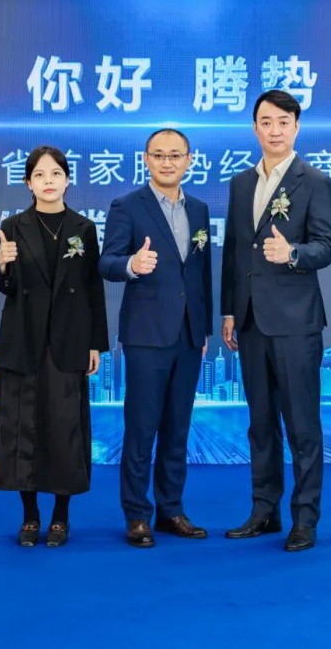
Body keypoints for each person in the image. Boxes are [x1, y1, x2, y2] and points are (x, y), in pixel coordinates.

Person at [220, 90, 331, 552]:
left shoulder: (315, 181)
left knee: (302, 425)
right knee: (261, 423)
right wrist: (230, 310)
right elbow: (233, 251)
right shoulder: (240, 183)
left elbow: (325, 247)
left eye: (283, 122)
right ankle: (263, 511)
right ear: (255, 128)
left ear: (296, 127)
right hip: (250, 322)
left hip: (295, 323)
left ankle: (305, 519)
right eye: (266, 122)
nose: (274, 130)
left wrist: (292, 254)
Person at [99, 129, 213, 548]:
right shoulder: (127, 206)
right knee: (142, 427)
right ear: (145, 159)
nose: (168, 162)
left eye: (175, 155)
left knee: (178, 427)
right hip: (146, 334)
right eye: (159, 155)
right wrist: (132, 263)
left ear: (189, 160)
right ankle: (137, 514)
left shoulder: (199, 209)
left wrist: (202, 328)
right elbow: (107, 262)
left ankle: (171, 510)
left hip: (188, 334)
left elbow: (201, 273)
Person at [0, 146, 108, 548]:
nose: (48, 181)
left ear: (67, 180)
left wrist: (96, 344)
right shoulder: (13, 225)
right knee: (22, 428)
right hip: (23, 340)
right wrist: (2, 264)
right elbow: (6, 286)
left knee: (64, 429)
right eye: (40, 175)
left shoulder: (83, 228)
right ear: (28, 183)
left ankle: (61, 517)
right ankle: (29, 516)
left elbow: (93, 289)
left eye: (56, 174)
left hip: (68, 341)